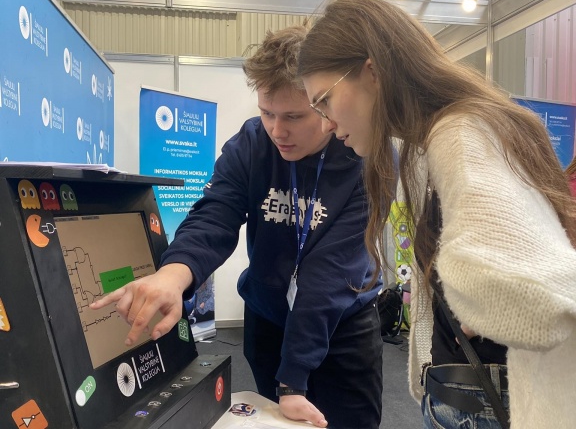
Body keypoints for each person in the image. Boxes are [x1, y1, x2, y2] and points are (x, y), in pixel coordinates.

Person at [297, 0, 576, 429]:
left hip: (485, 403)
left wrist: (477, 299)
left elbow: (535, 304)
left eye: (325, 101)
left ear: (373, 72)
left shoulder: (459, 133)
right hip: (471, 391)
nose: (325, 123)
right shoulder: (437, 136)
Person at [91, 25, 385, 429]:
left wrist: (292, 380)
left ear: (324, 105)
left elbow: (329, 276)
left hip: (343, 324)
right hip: (269, 318)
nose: (277, 130)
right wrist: (173, 275)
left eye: (294, 116)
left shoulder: (362, 153)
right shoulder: (251, 143)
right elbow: (216, 214)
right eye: (267, 112)